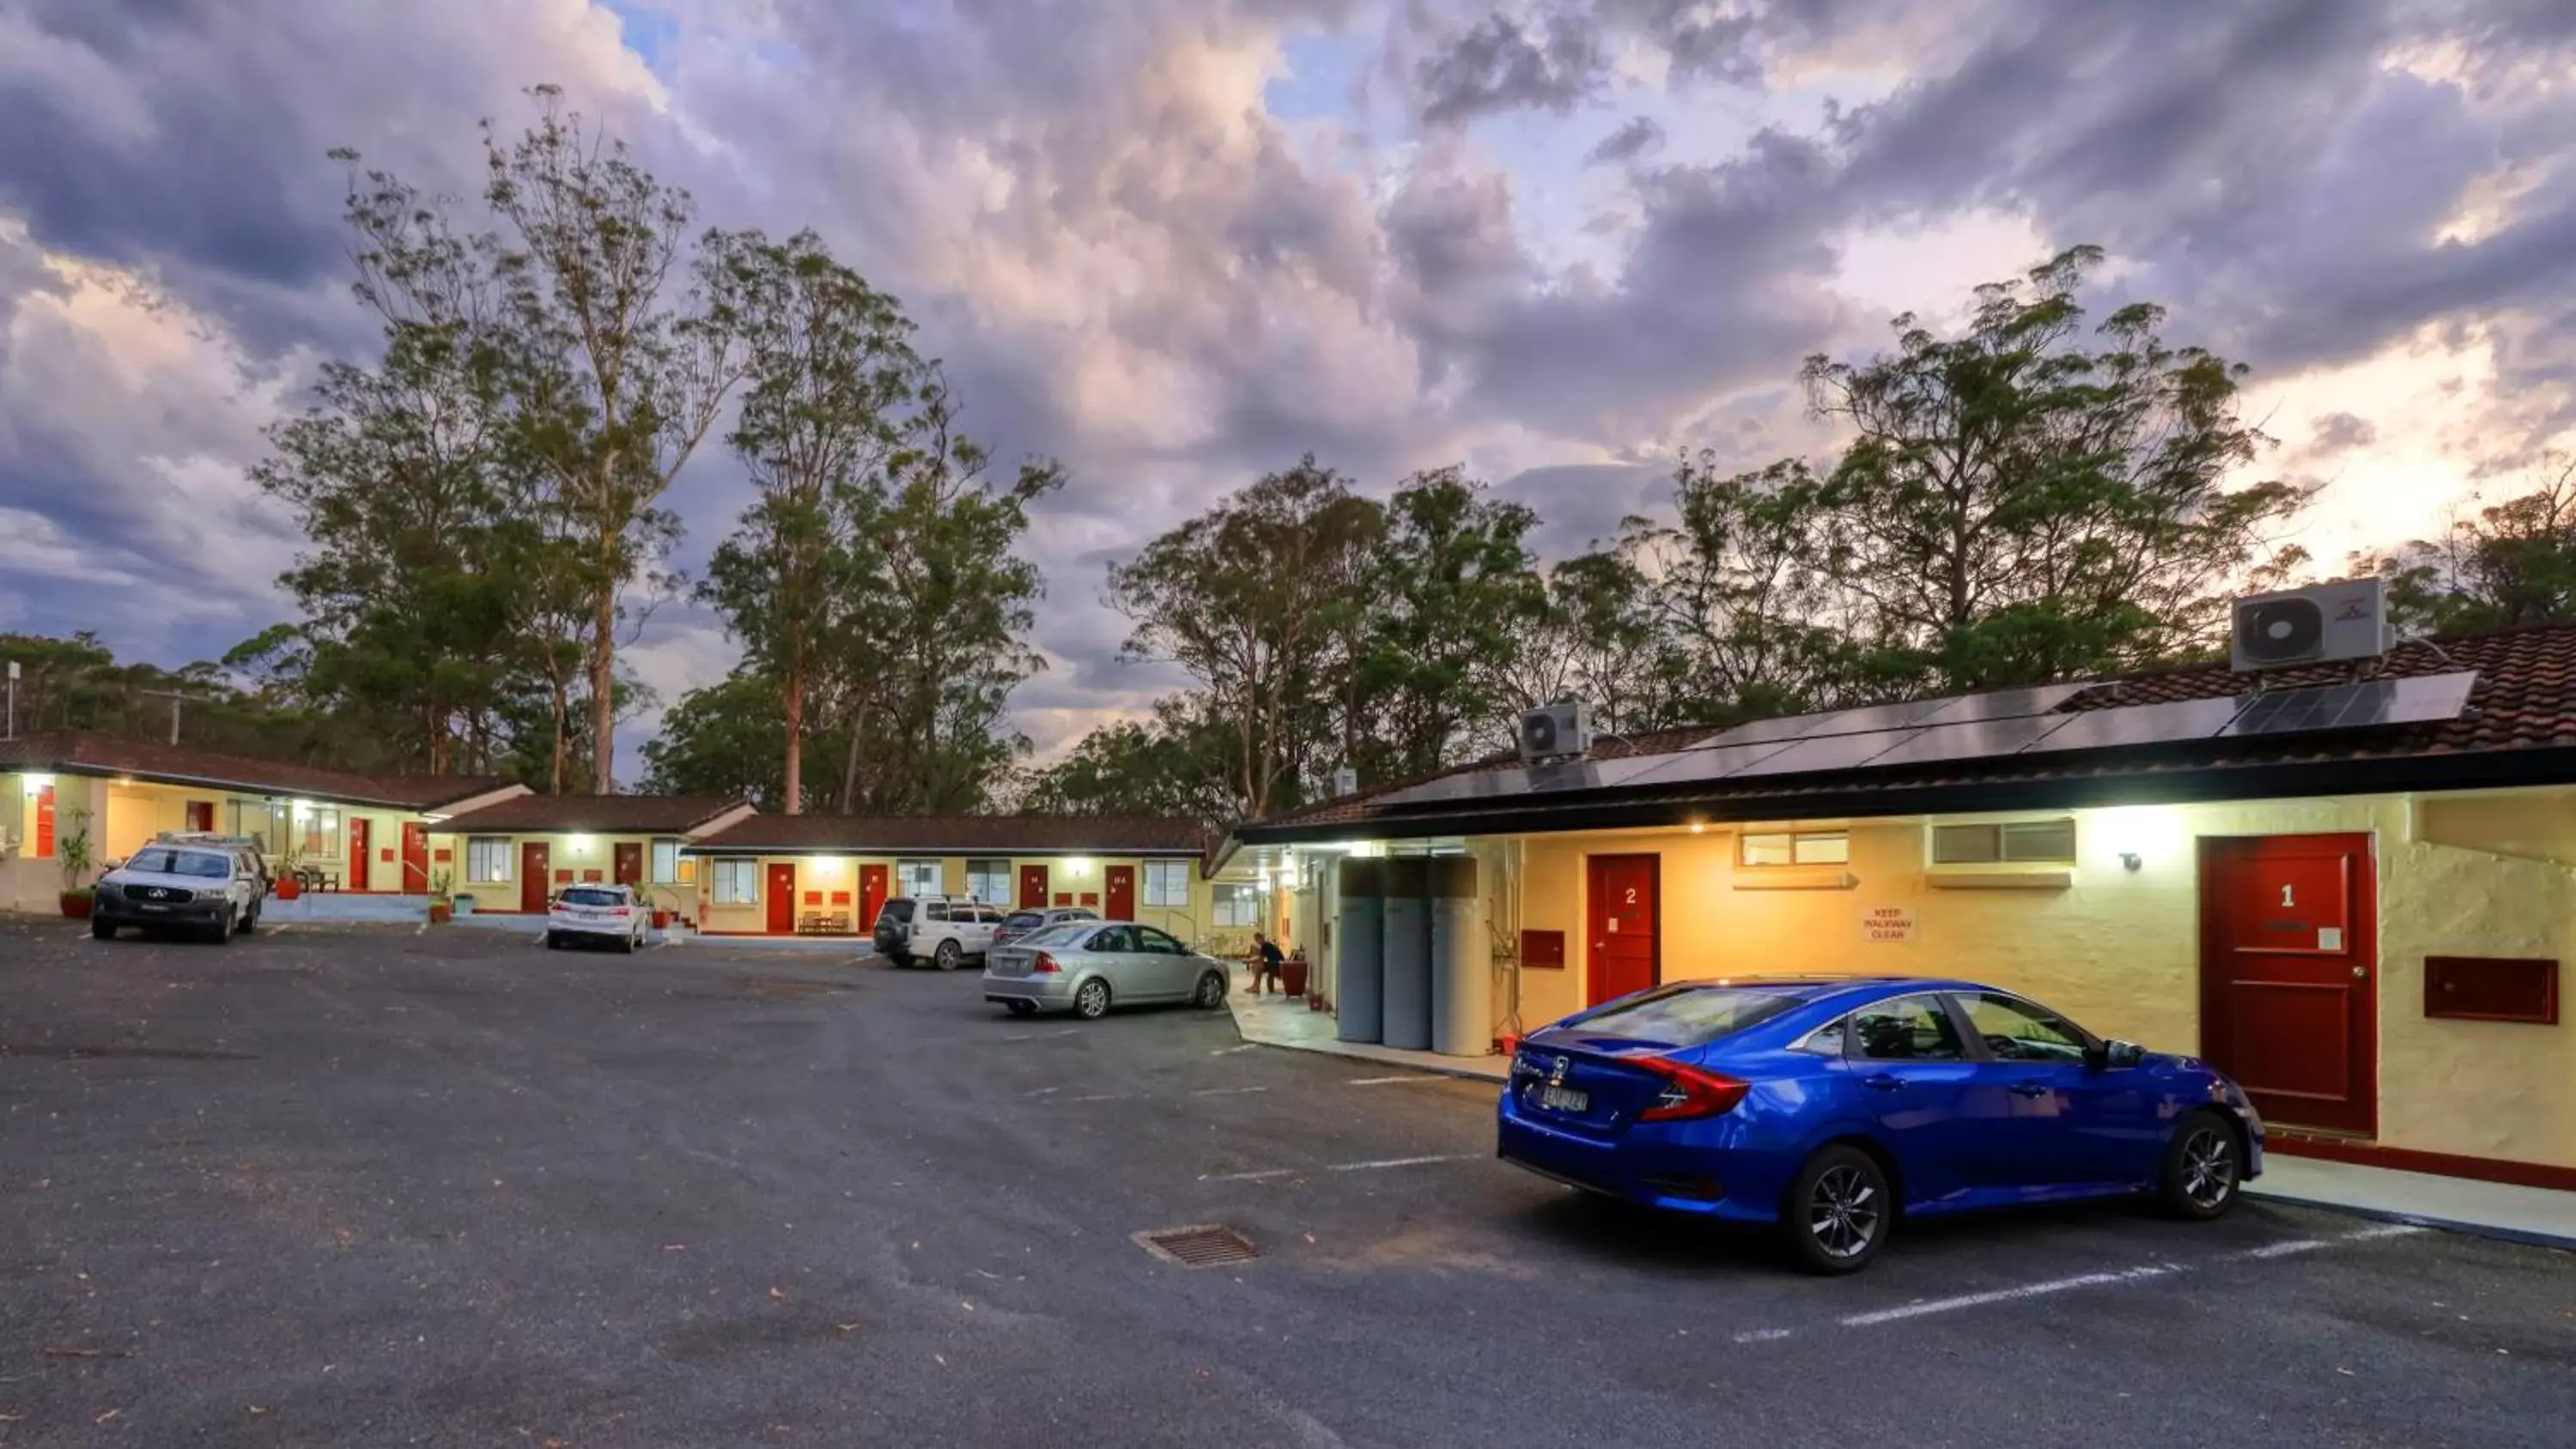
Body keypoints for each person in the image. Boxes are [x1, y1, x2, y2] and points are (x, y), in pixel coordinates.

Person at [1249, 931, 1286, 997]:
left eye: (1257, 940)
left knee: (1259, 966)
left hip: (1276, 964)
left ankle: (1256, 986)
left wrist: (1249, 961)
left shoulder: (1265, 945)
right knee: (1259, 966)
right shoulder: (1267, 944)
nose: (1257, 942)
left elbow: (1260, 958)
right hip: (1278, 963)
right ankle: (1255, 985)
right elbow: (1261, 957)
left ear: (1260, 938)